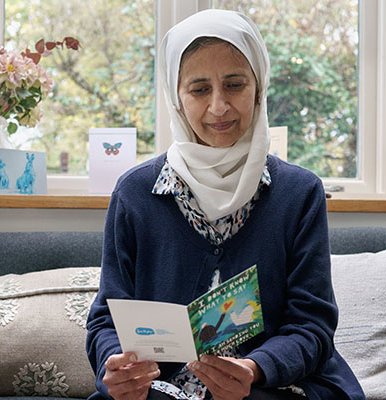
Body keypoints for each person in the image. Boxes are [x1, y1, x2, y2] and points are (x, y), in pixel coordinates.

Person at [86, 8, 365, 400]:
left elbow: (312, 326)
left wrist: (255, 368)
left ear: (259, 88)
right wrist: (115, 365)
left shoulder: (299, 193)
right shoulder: (135, 194)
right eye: (199, 89)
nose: (218, 106)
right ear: (177, 98)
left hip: (270, 387)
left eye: (234, 85)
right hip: (158, 392)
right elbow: (105, 320)